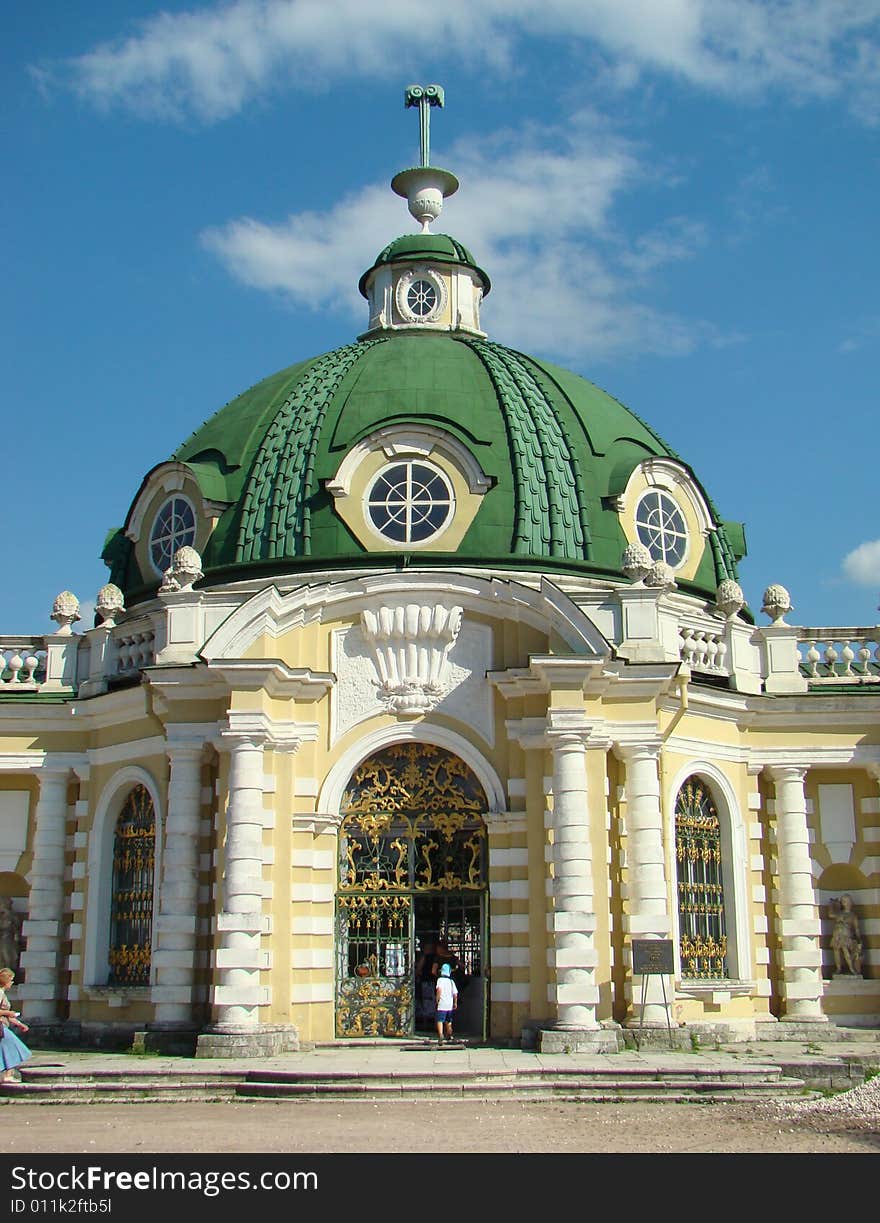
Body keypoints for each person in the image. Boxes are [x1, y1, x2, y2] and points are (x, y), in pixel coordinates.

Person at [0, 967, 31, 1085]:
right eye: (11, 980)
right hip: (1, 1026)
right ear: (6, 981)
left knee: (6, 1049)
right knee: (14, 1046)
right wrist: (8, 1013)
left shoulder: (2, 993)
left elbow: (9, 1016)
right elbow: (5, 1013)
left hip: (3, 1026)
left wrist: (20, 1024)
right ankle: (8, 1075)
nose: (12, 983)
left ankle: (7, 1075)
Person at [829, 894, 862, 976]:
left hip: (846, 935)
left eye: (847, 901)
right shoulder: (839, 913)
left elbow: (856, 928)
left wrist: (859, 939)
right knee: (836, 952)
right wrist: (832, 905)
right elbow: (830, 915)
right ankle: (838, 968)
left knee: (846, 952)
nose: (846, 903)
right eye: (843, 901)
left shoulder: (853, 915)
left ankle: (852, 968)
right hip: (837, 934)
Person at [434, 962, 458, 1047]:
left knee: (440, 1020)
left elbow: (439, 990)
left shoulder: (440, 980)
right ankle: (449, 1034)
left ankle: (440, 1035)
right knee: (449, 1021)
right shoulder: (451, 982)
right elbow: (455, 994)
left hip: (442, 1003)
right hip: (449, 1004)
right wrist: (455, 1003)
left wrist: (437, 1000)